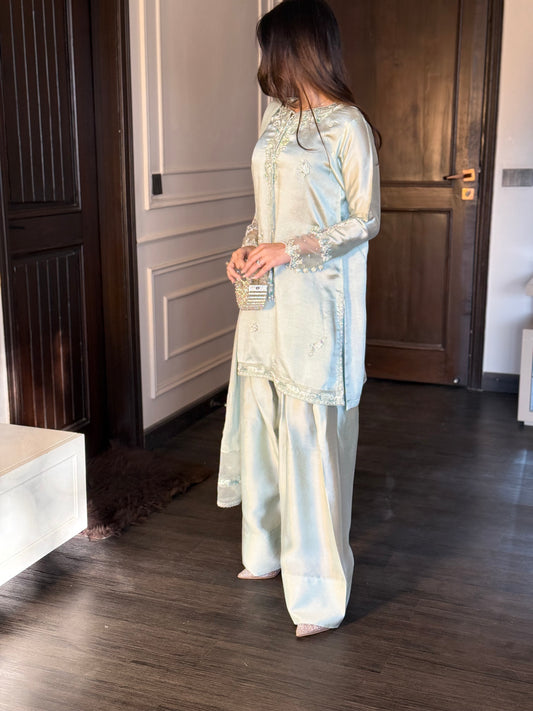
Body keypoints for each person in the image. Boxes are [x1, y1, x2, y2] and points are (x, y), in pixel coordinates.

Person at [217, 0, 380, 638]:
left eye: (273, 48)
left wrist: (292, 249)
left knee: (309, 438)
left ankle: (318, 595)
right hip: (265, 301)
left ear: (301, 47)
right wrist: (248, 247)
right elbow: (267, 209)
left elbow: (365, 220)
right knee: (261, 418)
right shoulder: (276, 116)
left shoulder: (348, 125)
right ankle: (264, 552)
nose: (268, 61)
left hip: (318, 304)